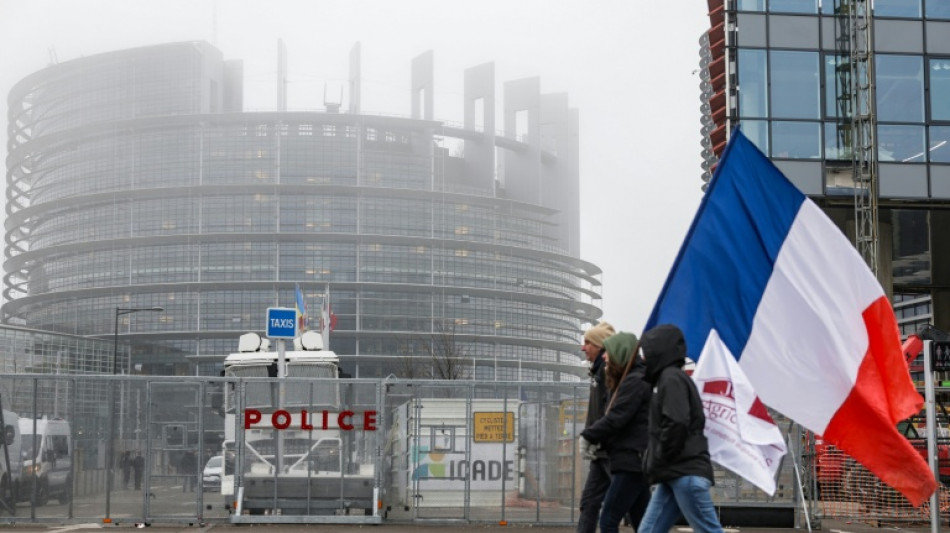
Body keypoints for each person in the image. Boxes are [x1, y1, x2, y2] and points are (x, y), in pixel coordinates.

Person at [637, 324, 724, 533]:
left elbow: (677, 422)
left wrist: (660, 457)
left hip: (683, 472)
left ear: (659, 351)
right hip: (675, 473)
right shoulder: (669, 379)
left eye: (647, 352)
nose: (643, 359)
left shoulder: (671, 378)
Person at [580, 331, 652, 533]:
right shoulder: (629, 381)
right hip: (631, 461)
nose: (604, 356)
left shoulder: (634, 381)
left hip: (630, 462)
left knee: (609, 519)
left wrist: (589, 435)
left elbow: (616, 418)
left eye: (608, 352)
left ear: (620, 353)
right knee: (644, 524)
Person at [574, 321, 616, 533]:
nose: (583, 348)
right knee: (589, 503)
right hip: (600, 451)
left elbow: (611, 412)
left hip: (609, 451)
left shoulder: (607, 373)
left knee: (624, 507)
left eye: (588, 343)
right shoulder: (598, 373)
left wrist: (593, 435)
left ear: (600, 346)